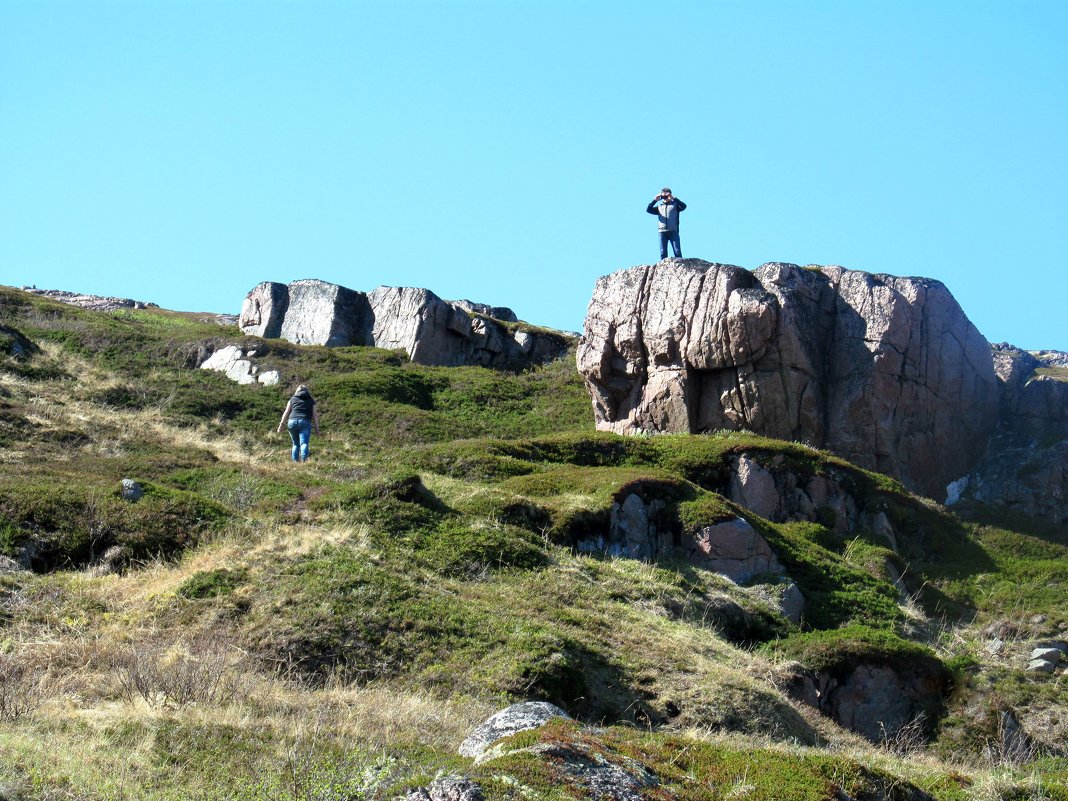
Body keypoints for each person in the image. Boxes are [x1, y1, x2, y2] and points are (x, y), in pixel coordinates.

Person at [277, 384, 320, 462]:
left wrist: (281, 424)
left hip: (292, 422)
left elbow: (286, 412)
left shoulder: (292, 399)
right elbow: (315, 415)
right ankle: (304, 460)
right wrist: (317, 429)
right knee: (304, 443)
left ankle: (295, 461)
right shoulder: (311, 400)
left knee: (295, 444)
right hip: (304, 422)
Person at [646, 187, 687, 259]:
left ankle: (680, 266)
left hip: (673, 231)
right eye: (663, 196)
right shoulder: (659, 207)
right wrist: (655, 200)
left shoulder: (675, 205)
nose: (665, 197)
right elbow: (648, 210)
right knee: (663, 252)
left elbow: (684, 206)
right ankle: (663, 268)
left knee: (677, 251)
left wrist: (674, 198)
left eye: (666, 196)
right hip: (662, 232)